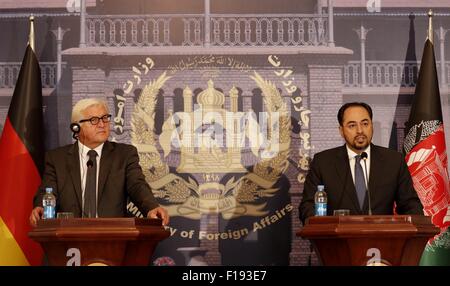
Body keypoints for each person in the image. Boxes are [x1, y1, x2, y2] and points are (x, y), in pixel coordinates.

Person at [29, 98, 169, 226]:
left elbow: (137, 186)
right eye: (94, 120)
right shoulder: (57, 159)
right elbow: (48, 191)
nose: (102, 124)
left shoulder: (124, 155)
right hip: (68, 238)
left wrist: (151, 207)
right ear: (76, 128)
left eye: (105, 118)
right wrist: (41, 207)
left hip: (114, 237)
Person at [298, 102, 423, 223]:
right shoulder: (323, 162)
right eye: (352, 125)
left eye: (365, 123)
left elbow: (410, 205)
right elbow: (307, 207)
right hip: (336, 242)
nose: (360, 130)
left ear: (372, 126)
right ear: (341, 130)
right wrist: (320, 227)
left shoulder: (394, 161)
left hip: (383, 241)